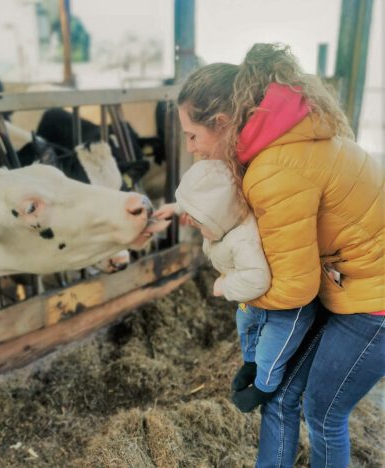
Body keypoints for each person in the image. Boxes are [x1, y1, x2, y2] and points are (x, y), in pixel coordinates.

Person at [154, 43, 384, 467]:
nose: (191, 148)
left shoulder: (274, 168)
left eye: (192, 135)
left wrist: (236, 293)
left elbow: (292, 289)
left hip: (372, 303)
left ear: (221, 123)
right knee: (279, 396)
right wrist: (186, 209)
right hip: (346, 281)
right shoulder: (284, 137)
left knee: (324, 412)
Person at [174, 158, 316, 412]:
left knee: (272, 348)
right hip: (254, 302)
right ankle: (250, 363)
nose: (192, 222)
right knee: (245, 324)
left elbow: (257, 278)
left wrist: (225, 285)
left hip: (285, 307)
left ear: (216, 214)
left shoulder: (243, 239)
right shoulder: (223, 225)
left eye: (198, 218)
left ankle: (263, 387)